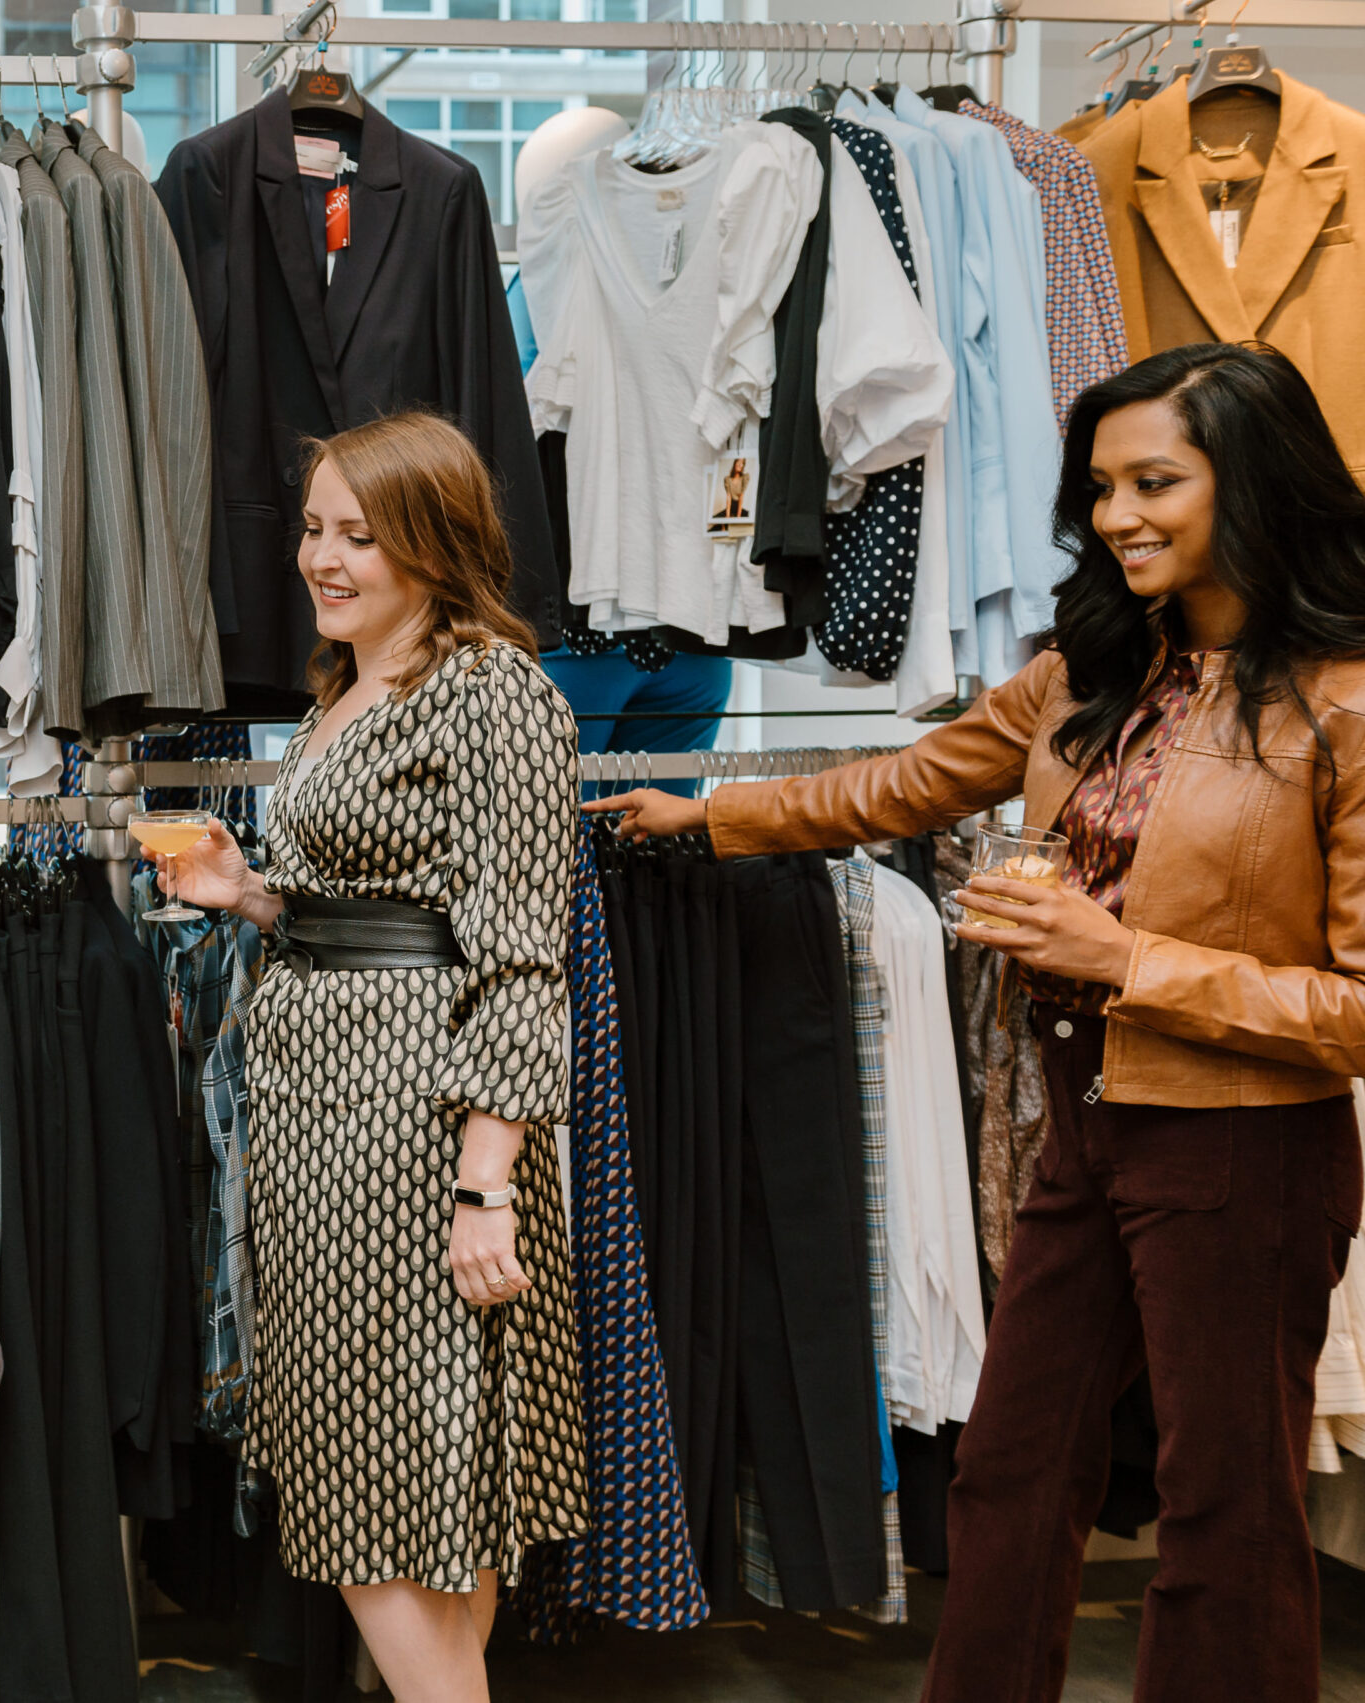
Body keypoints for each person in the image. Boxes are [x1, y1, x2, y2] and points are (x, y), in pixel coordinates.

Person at [589, 341, 1365, 1703]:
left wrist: (1124, 958)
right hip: (1083, 1122)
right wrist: (713, 817)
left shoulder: (1345, 700)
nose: (1116, 516)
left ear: (1253, 479)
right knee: (1009, 1471)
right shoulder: (1095, 668)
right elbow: (906, 782)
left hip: (1242, 1150)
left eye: (1154, 483)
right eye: (1101, 488)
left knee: (1225, 1509)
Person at [158, 411, 584, 1702]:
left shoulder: (494, 692)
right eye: (312, 529)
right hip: (320, 1118)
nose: (321, 559)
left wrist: (484, 1184)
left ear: (434, 545)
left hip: (416, 1126)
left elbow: (521, 956)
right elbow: (369, 910)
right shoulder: (343, 691)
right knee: (422, 1480)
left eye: (360, 536)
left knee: (382, 1469)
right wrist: (249, 895)